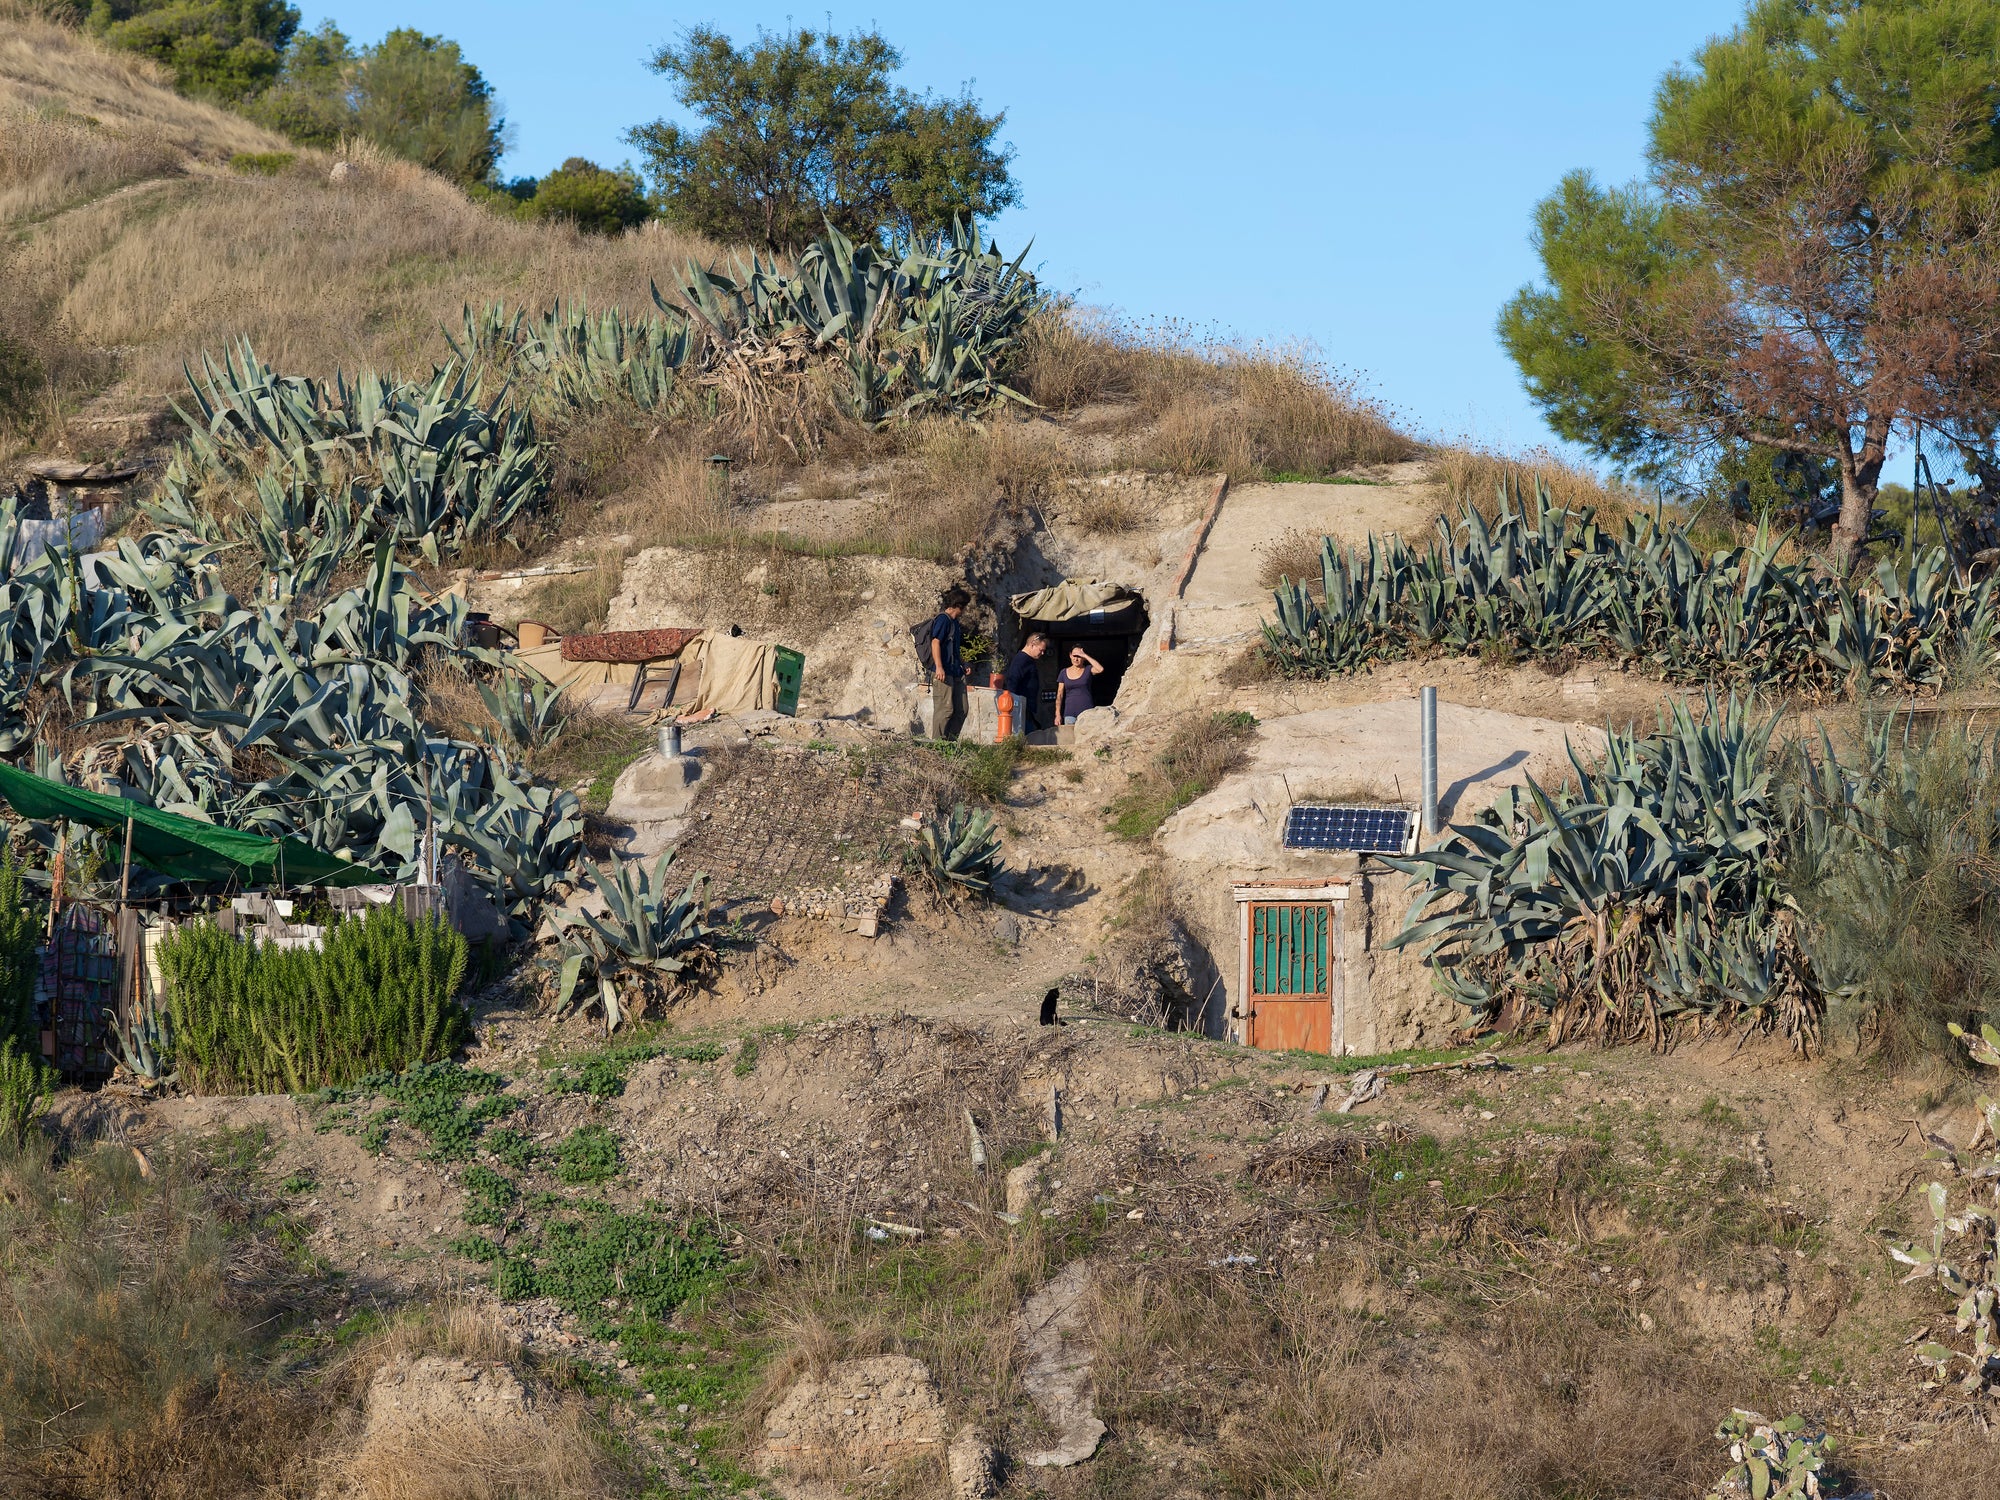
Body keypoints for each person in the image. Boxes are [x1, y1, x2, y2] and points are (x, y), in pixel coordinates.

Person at [927, 587, 971, 739]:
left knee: (962, 709)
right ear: (958, 606)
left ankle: (950, 743)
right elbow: (935, 643)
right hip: (942, 671)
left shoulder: (955, 623)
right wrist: (939, 667)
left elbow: (954, 648)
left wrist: (963, 663)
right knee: (945, 709)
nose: (964, 611)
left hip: (955, 670)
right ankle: (937, 744)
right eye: (964, 607)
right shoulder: (943, 620)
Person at [1001, 632, 1048, 735]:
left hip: (1026, 707)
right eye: (1041, 650)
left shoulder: (1028, 660)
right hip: (1020, 707)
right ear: (1032, 645)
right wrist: (1013, 704)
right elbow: (1012, 681)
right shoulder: (1022, 660)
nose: (1042, 653)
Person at [1055, 644, 1104, 725]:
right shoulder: (1063, 672)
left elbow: (1100, 669)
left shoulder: (1088, 669)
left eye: (1079, 656)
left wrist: (1085, 655)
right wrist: (1057, 714)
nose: (1076, 659)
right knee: (1070, 737)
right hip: (1070, 713)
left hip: (1087, 712)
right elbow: (1059, 694)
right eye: (1074, 656)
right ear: (1070, 655)